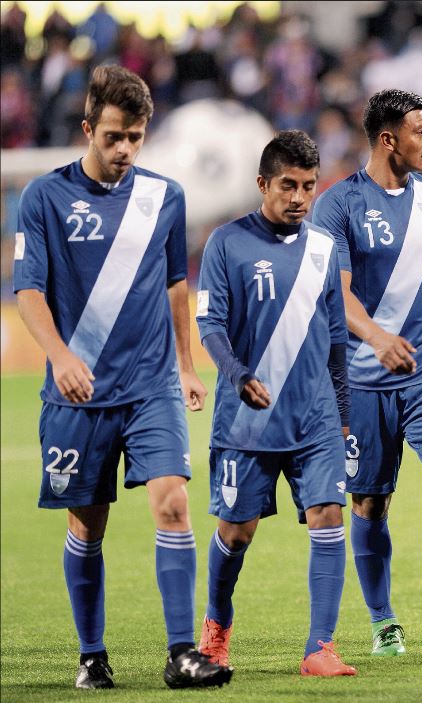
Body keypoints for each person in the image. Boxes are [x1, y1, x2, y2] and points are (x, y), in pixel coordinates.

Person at [11, 64, 231, 689]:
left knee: (174, 503)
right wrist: (59, 356)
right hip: (77, 392)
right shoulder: (44, 199)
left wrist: (187, 366)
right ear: (88, 129)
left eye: (135, 137)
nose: (125, 150)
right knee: (88, 524)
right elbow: (28, 290)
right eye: (113, 137)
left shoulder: (164, 197)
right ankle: (92, 654)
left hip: (149, 385)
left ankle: (181, 652)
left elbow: (175, 286)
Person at [309, 89, 422, 656]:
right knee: (368, 503)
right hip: (361, 380)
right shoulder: (336, 206)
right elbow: (336, 296)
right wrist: (379, 338)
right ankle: (384, 621)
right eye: (421, 131)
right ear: (389, 139)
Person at [194, 130, 356, 676]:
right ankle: (216, 627)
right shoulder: (226, 243)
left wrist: (342, 415)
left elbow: (337, 341)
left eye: (309, 187)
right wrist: (237, 374)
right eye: (288, 185)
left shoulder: (323, 249)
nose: (300, 197)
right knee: (236, 532)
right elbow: (210, 323)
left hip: (314, 417)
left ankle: (320, 647)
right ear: (263, 183)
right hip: (247, 421)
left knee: (329, 516)